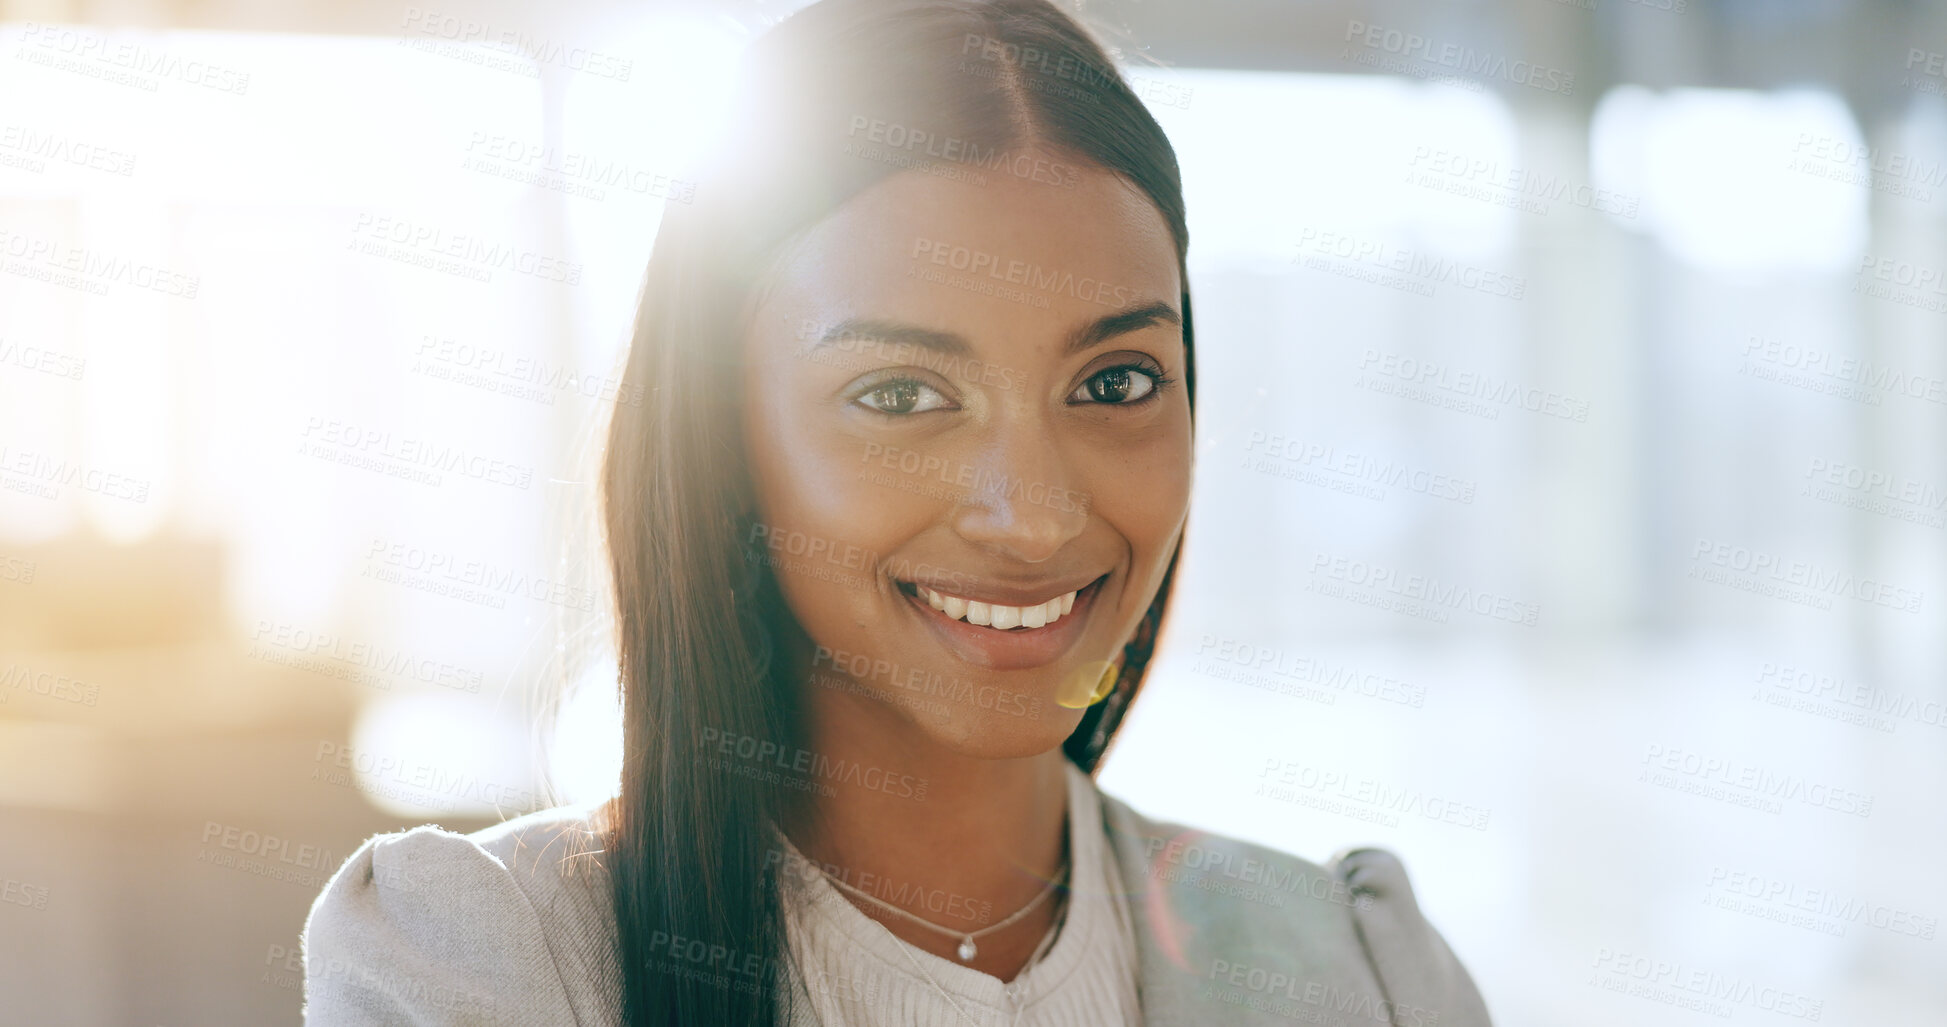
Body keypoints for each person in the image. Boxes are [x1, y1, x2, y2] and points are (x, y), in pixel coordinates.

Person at [302, 1, 1494, 1023]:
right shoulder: (488, 964)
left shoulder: (1352, 969)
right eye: (900, 394)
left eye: (1116, 382)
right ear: (723, 436)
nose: (1031, 519)